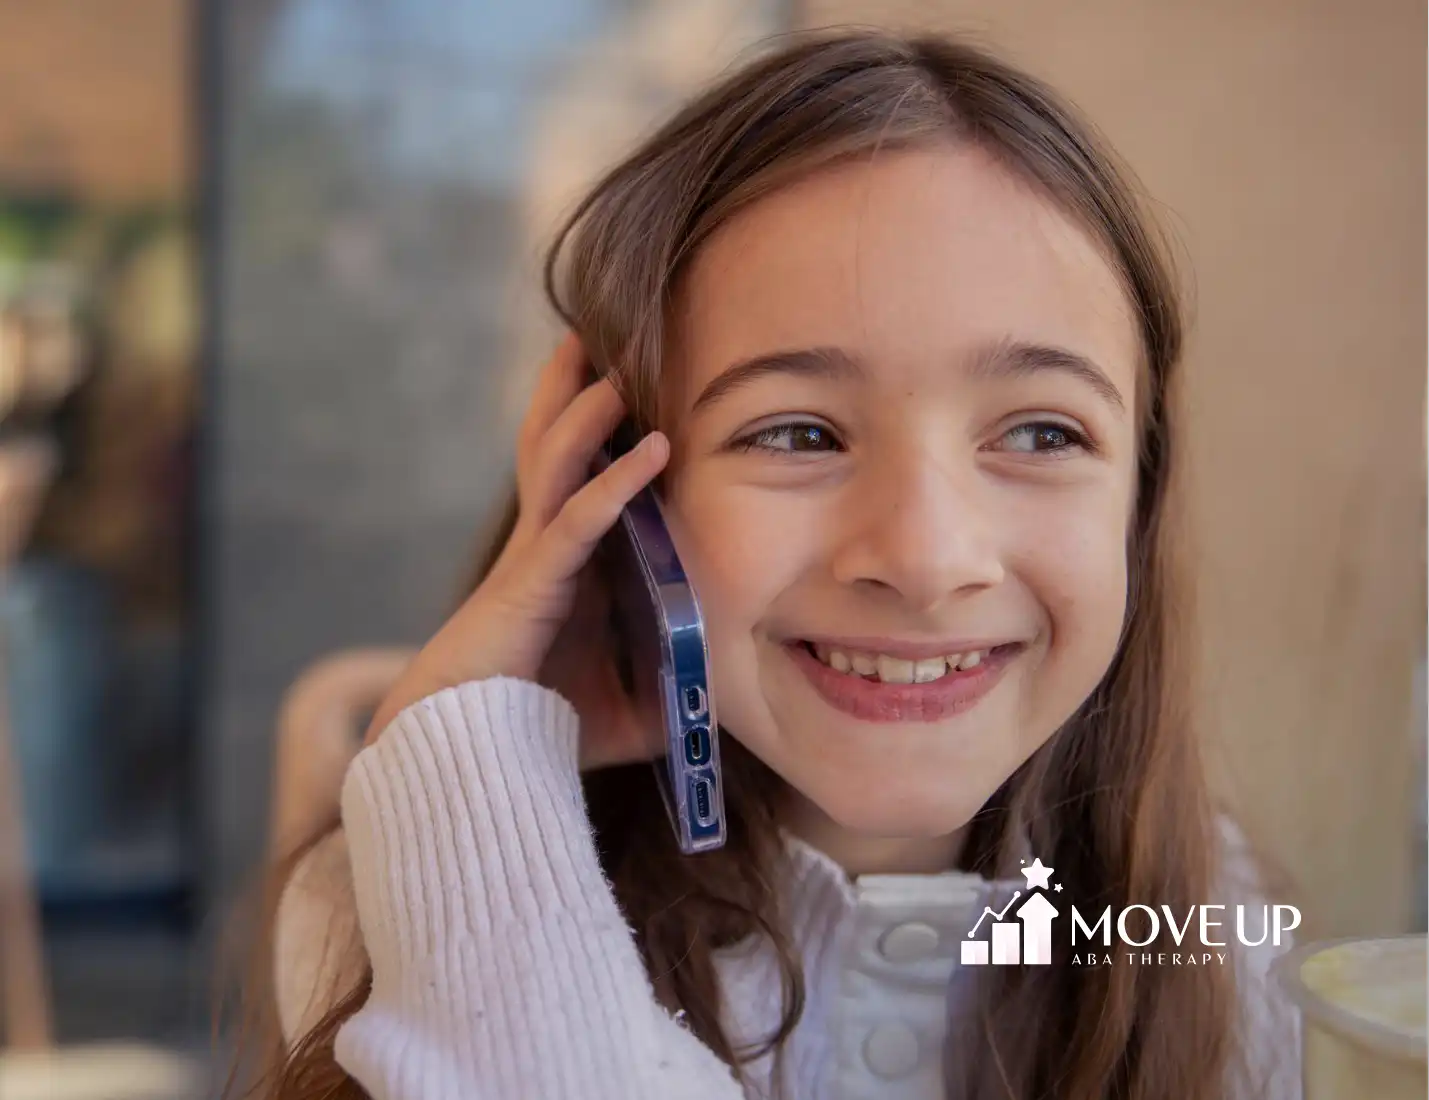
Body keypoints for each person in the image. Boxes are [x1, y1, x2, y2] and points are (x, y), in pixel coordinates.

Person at [259, 30, 1302, 1100]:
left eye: (1040, 433)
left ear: (1138, 492)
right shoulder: (404, 895)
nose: (925, 558)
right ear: (616, 491)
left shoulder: (1217, 933)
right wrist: (480, 777)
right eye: (798, 433)